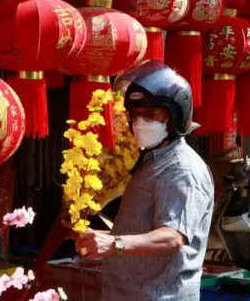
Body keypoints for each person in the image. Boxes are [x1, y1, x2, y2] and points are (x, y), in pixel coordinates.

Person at [76, 60, 215, 301]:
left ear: (175, 117)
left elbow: (172, 237)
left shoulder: (182, 169)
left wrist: (114, 244)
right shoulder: (151, 161)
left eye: (151, 114)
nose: (140, 122)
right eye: (136, 115)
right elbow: (140, 229)